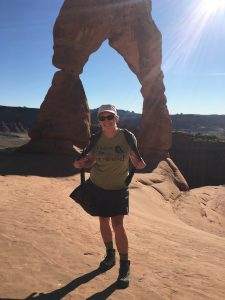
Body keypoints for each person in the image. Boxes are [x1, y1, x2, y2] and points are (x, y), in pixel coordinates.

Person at [73, 104, 146, 288]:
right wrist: (81, 163)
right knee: (103, 221)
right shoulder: (96, 138)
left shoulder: (127, 137)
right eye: (102, 118)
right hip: (97, 186)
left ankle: (124, 266)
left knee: (118, 225)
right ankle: (109, 255)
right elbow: (90, 159)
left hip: (118, 188)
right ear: (99, 120)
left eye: (109, 117)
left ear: (116, 118)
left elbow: (134, 159)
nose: (106, 121)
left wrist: (139, 164)